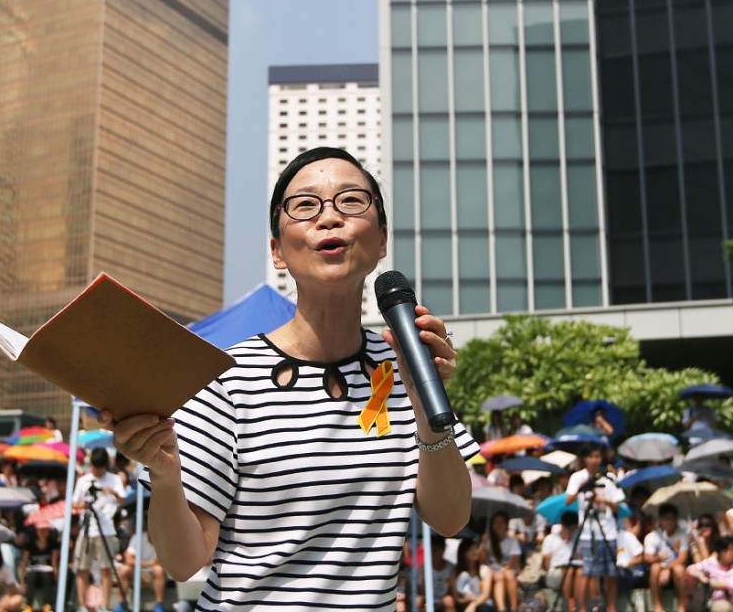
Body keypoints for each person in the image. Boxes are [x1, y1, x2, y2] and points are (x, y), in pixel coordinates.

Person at [107, 147, 478, 609]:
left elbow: (449, 517)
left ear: (381, 240)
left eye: (351, 201)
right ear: (277, 251)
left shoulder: (404, 363)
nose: (329, 219)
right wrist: (166, 479)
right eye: (305, 206)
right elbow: (184, 562)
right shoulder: (224, 377)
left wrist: (425, 403)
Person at [565, 443, 624, 612]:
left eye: (598, 456)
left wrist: (603, 501)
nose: (594, 460)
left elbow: (617, 506)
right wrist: (583, 487)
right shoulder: (577, 477)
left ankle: (611, 607)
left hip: (608, 530)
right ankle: (582, 608)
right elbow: (568, 501)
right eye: (591, 456)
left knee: (610, 573)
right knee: (586, 571)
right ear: (584, 459)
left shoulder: (608, 477)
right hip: (587, 531)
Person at [72, 447, 125, 612]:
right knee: (82, 568)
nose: (96, 471)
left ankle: (104, 606)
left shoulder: (114, 479)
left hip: (107, 529)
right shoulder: (83, 481)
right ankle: (82, 605)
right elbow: (75, 504)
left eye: (99, 467)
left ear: (105, 466)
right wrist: (87, 504)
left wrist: (113, 493)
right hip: (87, 529)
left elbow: (123, 502)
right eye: (94, 467)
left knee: (105, 569)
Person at [643, 502, 689, 612]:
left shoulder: (682, 536)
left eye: (672, 518)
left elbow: (682, 558)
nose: (669, 522)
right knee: (654, 567)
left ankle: (682, 606)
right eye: (666, 518)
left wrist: (667, 569)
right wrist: (658, 559)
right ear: (660, 519)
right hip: (658, 570)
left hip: (675, 569)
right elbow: (647, 558)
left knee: (679, 569)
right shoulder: (652, 536)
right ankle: (657, 606)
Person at [686, 535, 733, 612]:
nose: (730, 553)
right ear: (719, 552)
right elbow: (689, 569)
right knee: (722, 607)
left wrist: (707, 581)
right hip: (716, 601)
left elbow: (730, 585)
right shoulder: (711, 562)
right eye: (727, 550)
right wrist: (700, 575)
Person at [116, 521, 167, 612]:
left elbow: (165, 562)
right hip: (137, 573)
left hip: (154, 575)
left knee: (159, 570)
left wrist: (155, 564)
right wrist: (151, 563)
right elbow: (129, 560)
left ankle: (159, 605)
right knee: (124, 570)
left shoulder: (163, 540)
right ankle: (122, 603)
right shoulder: (138, 537)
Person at [482, 511, 521, 612]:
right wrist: (484, 543)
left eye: (501, 522)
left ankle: (513, 608)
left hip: (507, 570)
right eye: (496, 522)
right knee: (499, 577)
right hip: (491, 572)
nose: (498, 525)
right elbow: (482, 562)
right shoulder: (488, 540)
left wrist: (501, 571)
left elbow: (511, 564)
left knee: (508, 574)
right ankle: (501, 608)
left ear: (506, 525)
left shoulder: (512, 541)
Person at [542, 511, 580, 607]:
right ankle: (570, 605)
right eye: (569, 528)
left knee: (580, 572)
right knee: (569, 571)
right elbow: (545, 566)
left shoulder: (577, 540)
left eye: (573, 529)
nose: (571, 531)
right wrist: (548, 558)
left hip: (575, 569)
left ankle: (583, 605)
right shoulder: (550, 539)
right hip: (555, 571)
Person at [18, 523, 59, 611]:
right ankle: (28, 606)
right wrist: (21, 582)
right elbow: (24, 563)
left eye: (45, 530)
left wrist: (56, 578)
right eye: (41, 530)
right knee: (32, 576)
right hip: (33, 573)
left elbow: (54, 562)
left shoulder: (53, 543)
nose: (43, 532)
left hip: (48, 575)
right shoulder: (30, 544)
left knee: (46, 576)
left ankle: (48, 606)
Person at [454, 539, 495, 612]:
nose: (474, 551)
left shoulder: (485, 570)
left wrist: (473, 604)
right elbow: (457, 598)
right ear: (463, 553)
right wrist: (465, 600)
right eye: (470, 549)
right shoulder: (456, 572)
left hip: (482, 604)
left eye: (475, 548)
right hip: (465, 603)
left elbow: (486, 595)